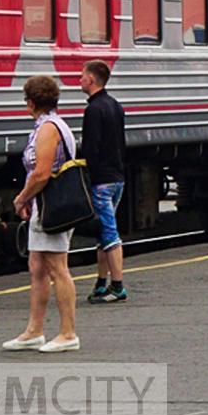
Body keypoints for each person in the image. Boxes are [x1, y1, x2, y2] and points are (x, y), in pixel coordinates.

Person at [5, 75, 80, 353]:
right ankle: (34, 331)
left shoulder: (49, 128)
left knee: (58, 268)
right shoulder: (50, 125)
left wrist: (22, 197)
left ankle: (68, 333)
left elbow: (41, 173)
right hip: (43, 206)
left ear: (31, 102)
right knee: (37, 266)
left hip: (52, 207)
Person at [79, 61, 128, 303]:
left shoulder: (93, 110)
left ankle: (117, 286)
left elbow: (91, 149)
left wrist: (88, 178)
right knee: (103, 232)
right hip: (117, 178)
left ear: (91, 79)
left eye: (82, 76)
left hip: (102, 181)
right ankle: (101, 283)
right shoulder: (116, 106)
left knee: (109, 233)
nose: (79, 80)